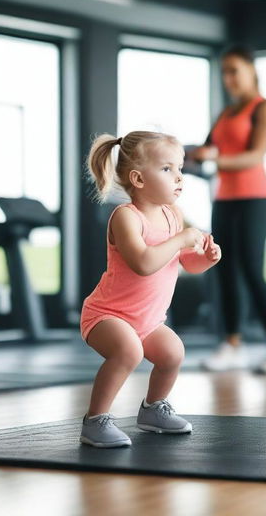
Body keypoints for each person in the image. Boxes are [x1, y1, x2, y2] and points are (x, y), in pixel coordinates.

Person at [80, 131, 221, 448]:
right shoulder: (126, 217)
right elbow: (144, 263)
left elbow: (184, 262)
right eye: (167, 169)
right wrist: (181, 240)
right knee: (128, 351)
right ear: (138, 179)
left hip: (147, 321)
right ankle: (95, 421)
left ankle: (153, 409)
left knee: (173, 353)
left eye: (180, 168)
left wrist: (206, 259)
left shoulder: (173, 215)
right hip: (107, 315)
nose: (179, 177)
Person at [190, 46, 266, 375]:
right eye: (225, 72)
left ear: (251, 70)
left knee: (251, 269)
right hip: (224, 199)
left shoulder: (263, 108)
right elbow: (207, 150)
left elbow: (254, 156)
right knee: (224, 270)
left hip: (256, 199)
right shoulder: (224, 114)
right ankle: (233, 345)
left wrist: (212, 158)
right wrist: (188, 155)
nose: (229, 78)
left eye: (235, 70)